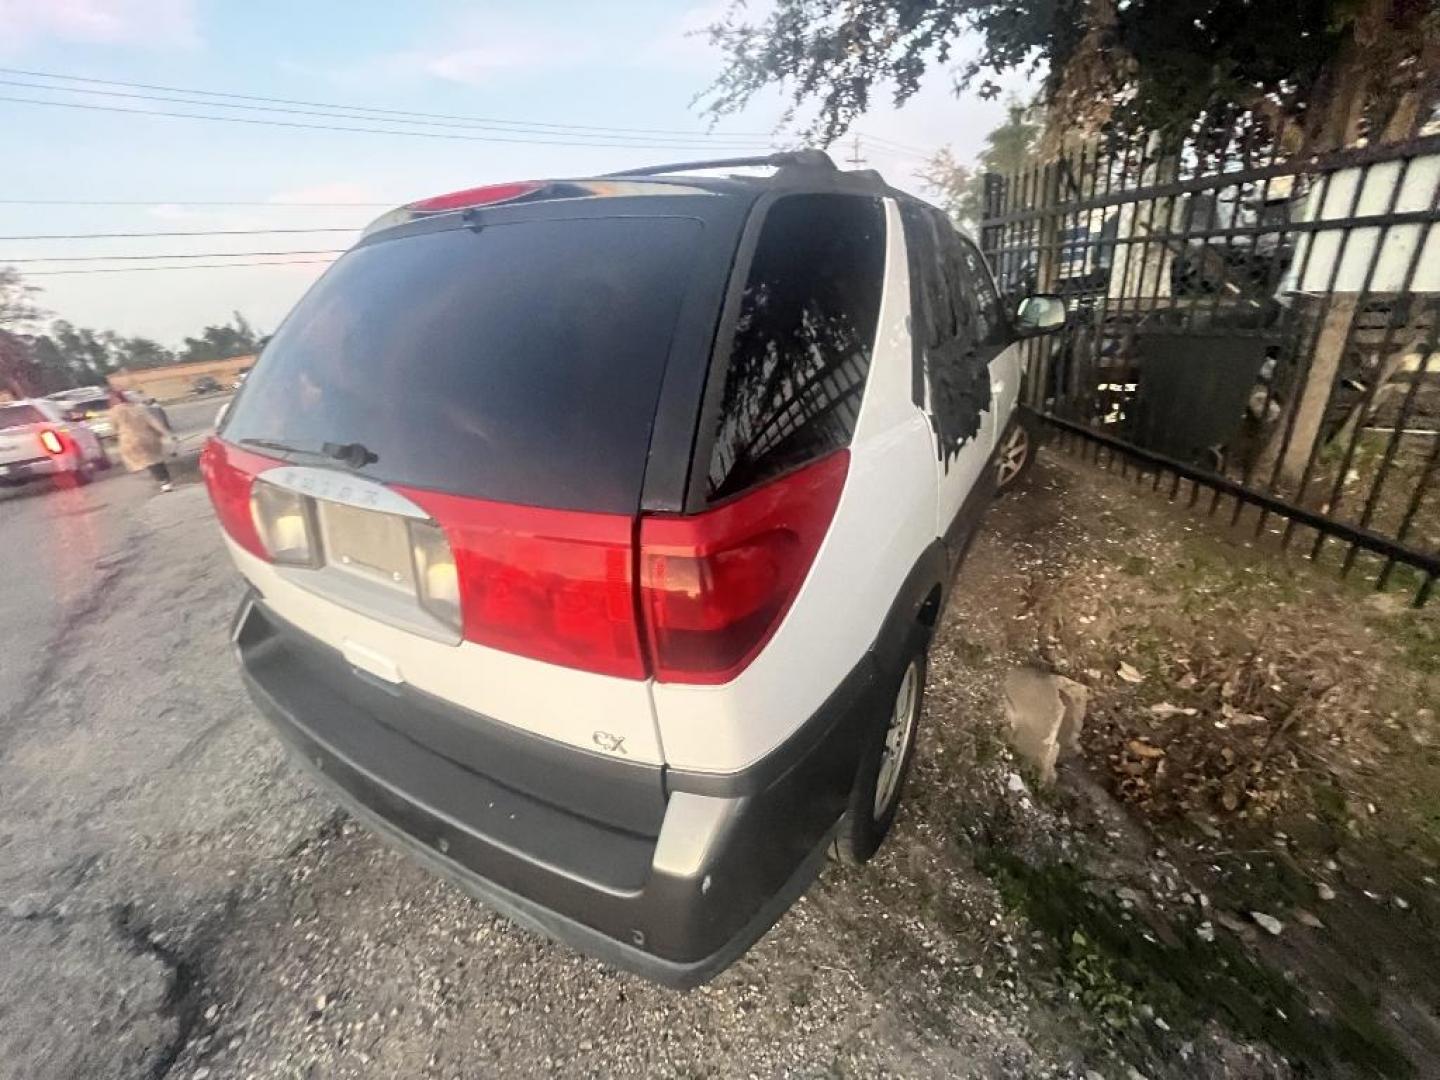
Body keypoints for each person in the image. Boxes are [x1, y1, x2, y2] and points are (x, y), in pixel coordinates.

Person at [108, 388, 174, 492]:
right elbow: (153, 422)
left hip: (129, 440)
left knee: (148, 462)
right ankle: (166, 481)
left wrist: (116, 435)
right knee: (156, 459)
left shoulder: (113, 412)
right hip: (148, 437)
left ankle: (163, 482)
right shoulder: (138, 408)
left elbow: (114, 428)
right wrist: (165, 433)